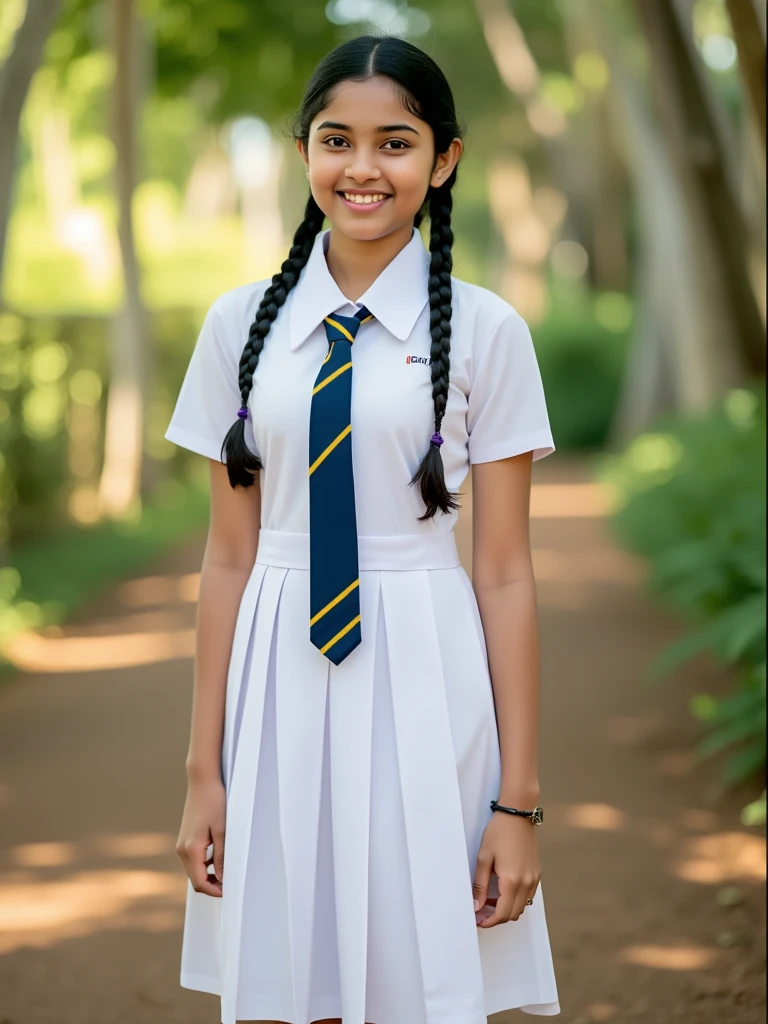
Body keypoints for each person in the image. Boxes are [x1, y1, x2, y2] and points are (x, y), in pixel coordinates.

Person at [164, 32, 561, 1024]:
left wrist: (519, 799)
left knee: (418, 970)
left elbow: (506, 574)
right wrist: (203, 770)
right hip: (277, 677)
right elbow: (227, 556)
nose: (363, 168)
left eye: (396, 142)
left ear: (445, 160)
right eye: (338, 140)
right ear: (306, 153)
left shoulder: (487, 332)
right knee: (299, 974)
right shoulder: (235, 328)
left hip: (426, 669)